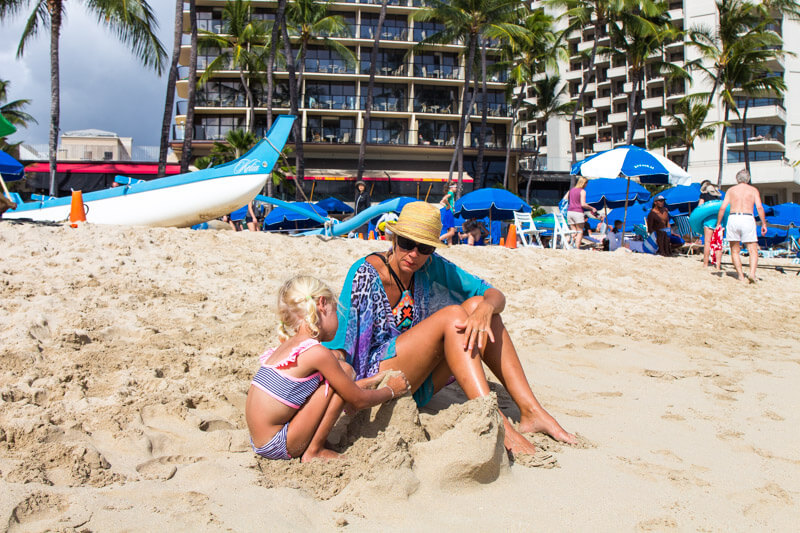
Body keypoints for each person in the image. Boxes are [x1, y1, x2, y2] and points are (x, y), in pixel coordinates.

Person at [327, 202, 576, 456]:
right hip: (375, 385)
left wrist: (487, 308)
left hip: (418, 382)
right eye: (406, 244)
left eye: (424, 247)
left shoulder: (430, 265)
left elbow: (494, 294)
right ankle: (495, 421)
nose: (414, 254)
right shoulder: (366, 274)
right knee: (454, 316)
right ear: (393, 239)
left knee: (481, 306)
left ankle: (531, 410)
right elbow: (340, 345)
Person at [245, 276, 410, 462]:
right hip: (278, 444)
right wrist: (391, 390)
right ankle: (314, 451)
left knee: (339, 369)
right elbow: (358, 400)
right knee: (345, 371)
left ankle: (313, 447)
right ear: (322, 304)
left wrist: (368, 382)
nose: (337, 317)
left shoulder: (290, 346)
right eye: (335, 310)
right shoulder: (316, 353)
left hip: (260, 441)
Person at [715, 169, 767, 283]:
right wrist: (763, 223)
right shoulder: (753, 190)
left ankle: (740, 276)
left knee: (734, 250)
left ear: (737, 178)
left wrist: (718, 223)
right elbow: (759, 207)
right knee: (752, 249)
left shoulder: (731, 190)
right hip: (747, 217)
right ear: (748, 179)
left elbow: (723, 207)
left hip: (733, 217)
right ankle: (752, 274)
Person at [567, 177, 599, 247]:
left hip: (569, 212)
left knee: (573, 230)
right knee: (580, 231)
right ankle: (577, 247)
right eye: (586, 183)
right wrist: (592, 208)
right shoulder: (582, 191)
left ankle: (566, 243)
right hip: (578, 212)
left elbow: (568, 200)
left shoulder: (571, 190)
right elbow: (583, 204)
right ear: (584, 183)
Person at [698, 180, 722, 269]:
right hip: (719, 219)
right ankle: (718, 265)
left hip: (709, 219)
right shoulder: (717, 195)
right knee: (718, 243)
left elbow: (700, 206)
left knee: (707, 242)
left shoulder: (704, 194)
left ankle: (705, 264)